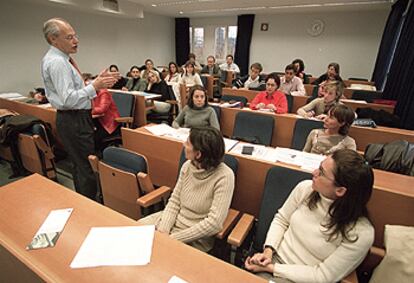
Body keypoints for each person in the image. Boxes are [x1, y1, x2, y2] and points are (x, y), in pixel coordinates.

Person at [245, 149, 374, 283]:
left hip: (303, 279)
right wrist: (268, 251)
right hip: (273, 261)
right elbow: (281, 219)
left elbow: (323, 276)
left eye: (321, 173)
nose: (314, 173)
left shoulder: (361, 232)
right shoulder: (305, 189)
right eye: (319, 167)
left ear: (340, 190)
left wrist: (272, 269)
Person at [41, 18, 119, 200]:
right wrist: (95, 86)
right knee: (86, 166)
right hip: (74, 118)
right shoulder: (58, 63)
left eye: (75, 36)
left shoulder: (61, 59)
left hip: (73, 118)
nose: (76, 40)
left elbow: (73, 91)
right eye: (69, 37)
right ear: (54, 39)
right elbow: (68, 99)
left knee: (80, 164)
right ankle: (90, 204)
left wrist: (95, 82)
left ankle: (84, 201)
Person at [139, 126, 234, 252]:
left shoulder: (225, 176)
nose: (184, 144)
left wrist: (173, 238)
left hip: (194, 237)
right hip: (171, 223)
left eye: (188, 143)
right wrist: (163, 230)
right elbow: (175, 201)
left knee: (157, 256)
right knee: (133, 232)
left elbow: (214, 224)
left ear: (198, 154)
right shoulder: (187, 166)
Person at [82, 73, 120, 153]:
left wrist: (86, 110)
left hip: (109, 124)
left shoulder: (104, 92)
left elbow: (102, 109)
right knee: (84, 133)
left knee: (92, 137)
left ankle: (97, 158)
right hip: (98, 121)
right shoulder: (91, 93)